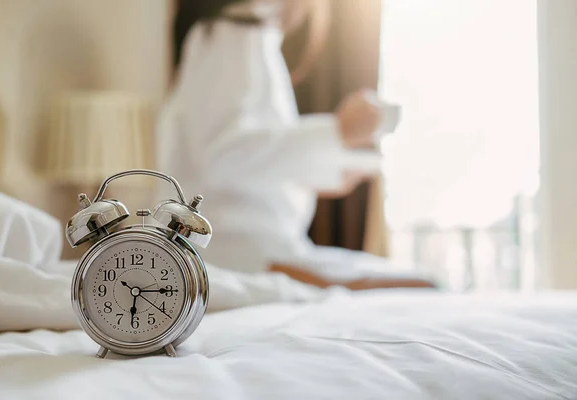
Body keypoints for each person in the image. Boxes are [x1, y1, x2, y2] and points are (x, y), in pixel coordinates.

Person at [157, 0, 435, 290]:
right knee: (424, 286)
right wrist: (336, 134)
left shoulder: (248, 37)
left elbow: (241, 158)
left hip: (266, 252)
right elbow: (222, 158)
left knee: (422, 284)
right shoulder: (233, 34)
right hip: (243, 258)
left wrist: (331, 168)